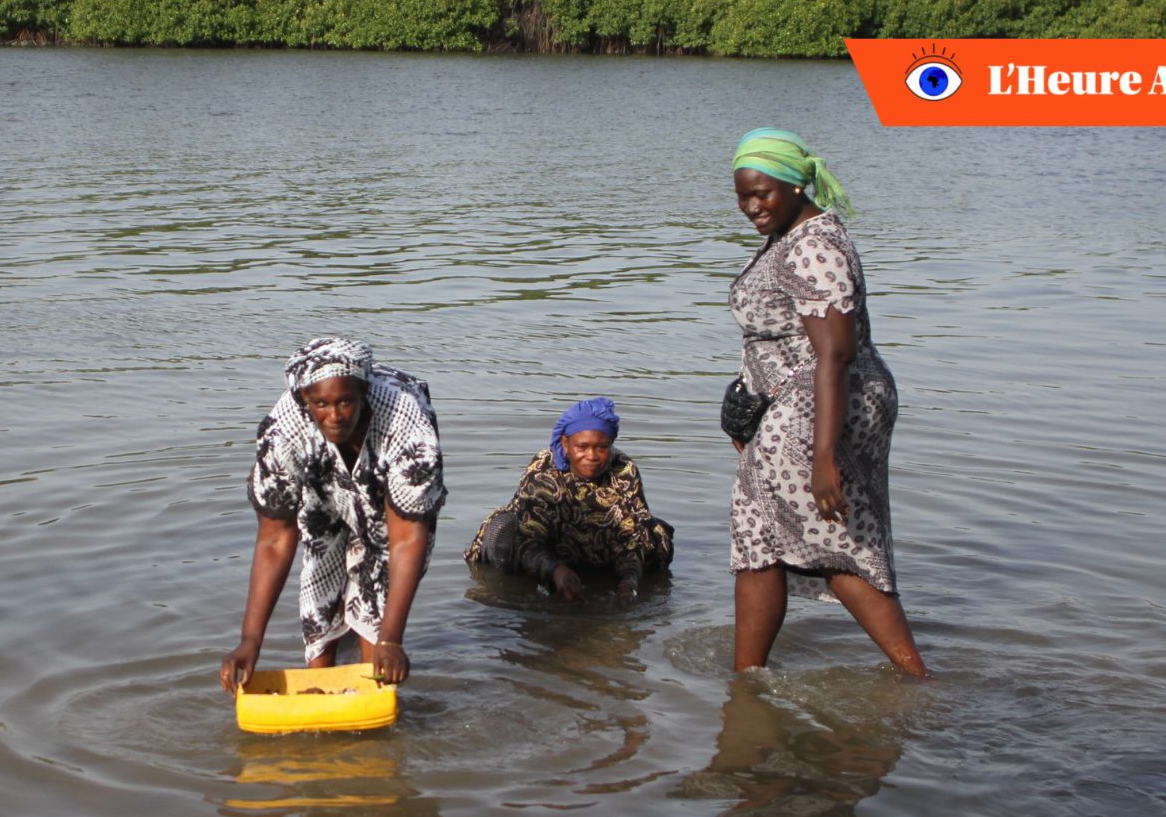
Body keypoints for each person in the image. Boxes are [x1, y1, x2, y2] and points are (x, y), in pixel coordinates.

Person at [725, 128, 927, 677]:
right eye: (742, 195)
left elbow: (834, 354)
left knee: (820, 539)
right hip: (795, 404)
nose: (750, 207)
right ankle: (749, 682)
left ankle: (918, 680)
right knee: (767, 537)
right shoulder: (790, 235)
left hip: (820, 406)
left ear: (796, 185)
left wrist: (823, 457)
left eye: (762, 193)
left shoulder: (815, 244)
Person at [219, 337, 444, 692]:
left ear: (364, 392)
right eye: (321, 404)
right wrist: (250, 641)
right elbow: (275, 539)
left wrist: (391, 640)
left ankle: (373, 707)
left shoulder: (405, 420)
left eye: (345, 401)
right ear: (304, 401)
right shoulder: (284, 429)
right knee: (320, 610)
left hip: (392, 504)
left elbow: (406, 538)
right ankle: (320, 704)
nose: (335, 416)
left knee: (376, 626)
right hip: (323, 494)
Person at [463, 397, 673, 602]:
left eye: (601, 447)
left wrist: (629, 582)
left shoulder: (624, 470)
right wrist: (556, 571)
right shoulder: (543, 471)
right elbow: (528, 539)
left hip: (598, 547)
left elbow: (634, 537)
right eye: (582, 447)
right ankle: (508, 590)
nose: (591, 456)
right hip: (549, 547)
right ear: (565, 444)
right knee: (504, 528)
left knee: (655, 533)